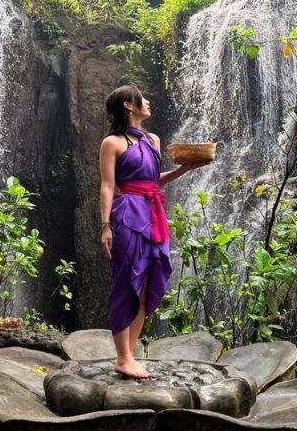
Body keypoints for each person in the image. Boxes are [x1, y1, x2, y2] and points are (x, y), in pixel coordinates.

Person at [99, 85, 205, 379]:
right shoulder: (113, 143)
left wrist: (184, 169)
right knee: (125, 282)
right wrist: (105, 226)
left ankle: (129, 355)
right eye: (141, 98)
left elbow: (153, 180)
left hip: (153, 213)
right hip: (127, 215)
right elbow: (108, 186)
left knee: (148, 282)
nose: (147, 101)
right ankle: (122, 358)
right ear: (127, 106)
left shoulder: (153, 140)